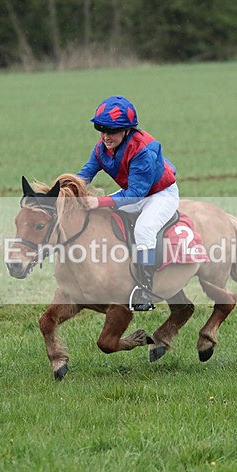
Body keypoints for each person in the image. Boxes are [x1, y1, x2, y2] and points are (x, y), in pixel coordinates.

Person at [77, 95, 179, 311]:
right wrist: (62, 190)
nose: (105, 136)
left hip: (159, 195)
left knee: (144, 229)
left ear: (127, 130)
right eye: (101, 129)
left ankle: (146, 291)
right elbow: (85, 174)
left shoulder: (143, 150)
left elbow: (135, 195)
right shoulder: (102, 147)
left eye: (111, 131)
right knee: (102, 217)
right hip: (135, 192)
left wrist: (98, 201)